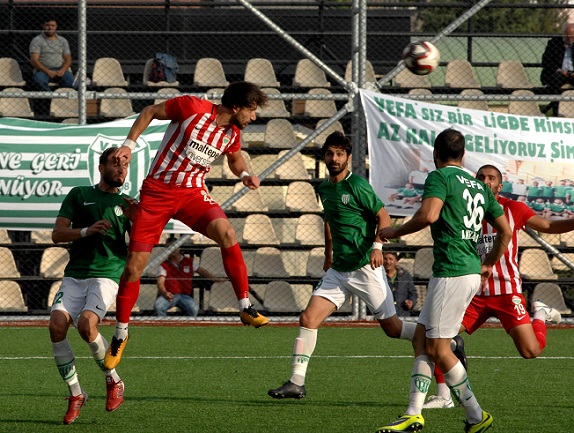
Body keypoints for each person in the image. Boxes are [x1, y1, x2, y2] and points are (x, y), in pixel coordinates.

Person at [103, 81, 270, 371]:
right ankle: (120, 333)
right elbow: (151, 111)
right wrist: (128, 145)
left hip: (192, 194)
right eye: (252, 110)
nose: (253, 117)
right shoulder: (193, 107)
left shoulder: (231, 133)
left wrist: (244, 174)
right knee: (133, 267)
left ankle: (245, 307)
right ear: (235, 106)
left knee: (227, 233)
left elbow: (234, 157)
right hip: (157, 193)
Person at [376, 128, 512, 433]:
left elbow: (429, 215)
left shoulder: (439, 177)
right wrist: (488, 263)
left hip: (452, 272)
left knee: (438, 349)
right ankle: (414, 411)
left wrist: (392, 233)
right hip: (467, 272)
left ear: (436, 154)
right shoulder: (479, 187)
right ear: (463, 156)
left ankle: (476, 414)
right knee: (421, 340)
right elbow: (505, 230)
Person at [267, 131, 418, 400]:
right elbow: (329, 219)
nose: (334, 158)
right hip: (339, 269)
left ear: (348, 157)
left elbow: (382, 215)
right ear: (324, 156)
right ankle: (296, 382)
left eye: (339, 154)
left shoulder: (357, 185)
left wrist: (377, 246)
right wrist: (328, 253)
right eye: (329, 153)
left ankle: (440, 341)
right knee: (308, 318)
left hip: (364, 267)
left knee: (392, 329)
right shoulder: (325, 188)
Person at [422, 164, 571, 410]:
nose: (486, 181)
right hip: (474, 293)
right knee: (437, 337)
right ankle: (444, 396)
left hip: (506, 292)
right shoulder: (464, 207)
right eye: (481, 177)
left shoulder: (513, 208)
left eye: (491, 178)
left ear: (500, 186)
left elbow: (548, 226)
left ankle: (541, 314)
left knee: (531, 351)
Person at [49, 147, 137, 424]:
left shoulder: (127, 203)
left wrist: (138, 218)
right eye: (114, 163)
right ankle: (77, 394)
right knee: (56, 326)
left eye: (124, 163)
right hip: (75, 274)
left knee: (87, 326)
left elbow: (141, 246)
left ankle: (113, 380)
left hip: (107, 274)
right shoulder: (79, 194)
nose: (121, 168)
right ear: (100, 168)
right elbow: (57, 234)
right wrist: (86, 230)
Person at [154, 237, 223, 317]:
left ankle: (186, 327)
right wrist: (165, 293)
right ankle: (164, 327)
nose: (171, 250)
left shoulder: (189, 261)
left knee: (193, 309)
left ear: (179, 247)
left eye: (173, 246)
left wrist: (215, 278)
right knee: (159, 306)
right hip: (170, 295)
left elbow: (202, 271)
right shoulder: (164, 265)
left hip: (185, 296)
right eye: (168, 248)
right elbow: (160, 283)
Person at [29, 18, 76, 91]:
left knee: (71, 82)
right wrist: (48, 71)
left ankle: (60, 99)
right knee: (38, 81)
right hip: (43, 71)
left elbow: (68, 59)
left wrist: (62, 70)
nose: (50, 27)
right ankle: (51, 99)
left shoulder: (62, 40)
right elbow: (34, 60)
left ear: (56, 27)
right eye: (47, 25)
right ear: (43, 26)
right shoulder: (37, 40)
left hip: (60, 69)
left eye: (52, 25)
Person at [541, 23, 574, 115]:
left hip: (572, 75)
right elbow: (546, 61)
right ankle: (556, 112)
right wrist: (559, 70)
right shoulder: (554, 43)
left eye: (573, 38)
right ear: (563, 34)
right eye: (568, 37)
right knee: (556, 81)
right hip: (558, 74)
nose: (570, 40)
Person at [383, 251, 417, 317]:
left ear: (396, 261)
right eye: (385, 259)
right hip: (384, 313)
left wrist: (411, 302)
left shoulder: (405, 275)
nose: (387, 262)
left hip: (402, 313)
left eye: (390, 259)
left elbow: (413, 292)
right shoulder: (378, 275)